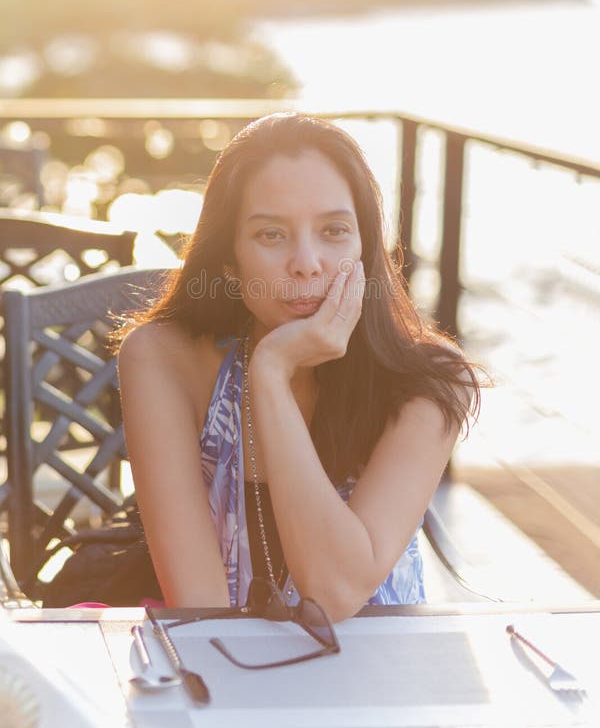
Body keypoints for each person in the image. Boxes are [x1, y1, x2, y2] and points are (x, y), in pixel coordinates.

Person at [116, 112, 481, 622]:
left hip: (383, 677)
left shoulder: (432, 380)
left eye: (334, 230)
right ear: (229, 260)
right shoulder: (161, 359)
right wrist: (270, 368)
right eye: (271, 235)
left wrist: (269, 374)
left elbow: (333, 594)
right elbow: (199, 611)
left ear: (367, 248)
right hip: (223, 670)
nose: (307, 262)